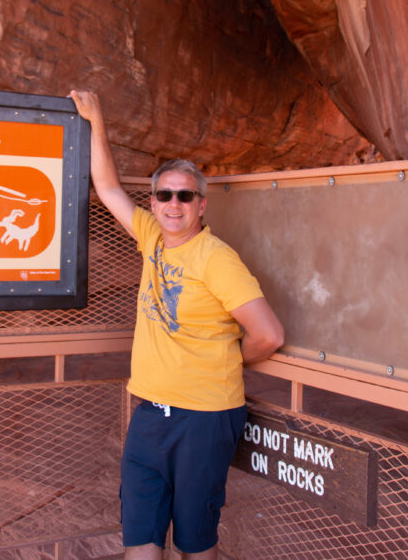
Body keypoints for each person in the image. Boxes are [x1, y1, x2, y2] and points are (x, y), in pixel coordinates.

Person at [70, 90, 285, 560]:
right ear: (154, 201)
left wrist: (224, 356)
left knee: (194, 542)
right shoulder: (152, 237)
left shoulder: (217, 259)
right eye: (164, 195)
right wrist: (96, 118)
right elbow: (106, 188)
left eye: (185, 196)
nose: (173, 204)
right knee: (140, 538)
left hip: (205, 418)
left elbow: (269, 334)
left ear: (201, 205)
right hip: (150, 412)